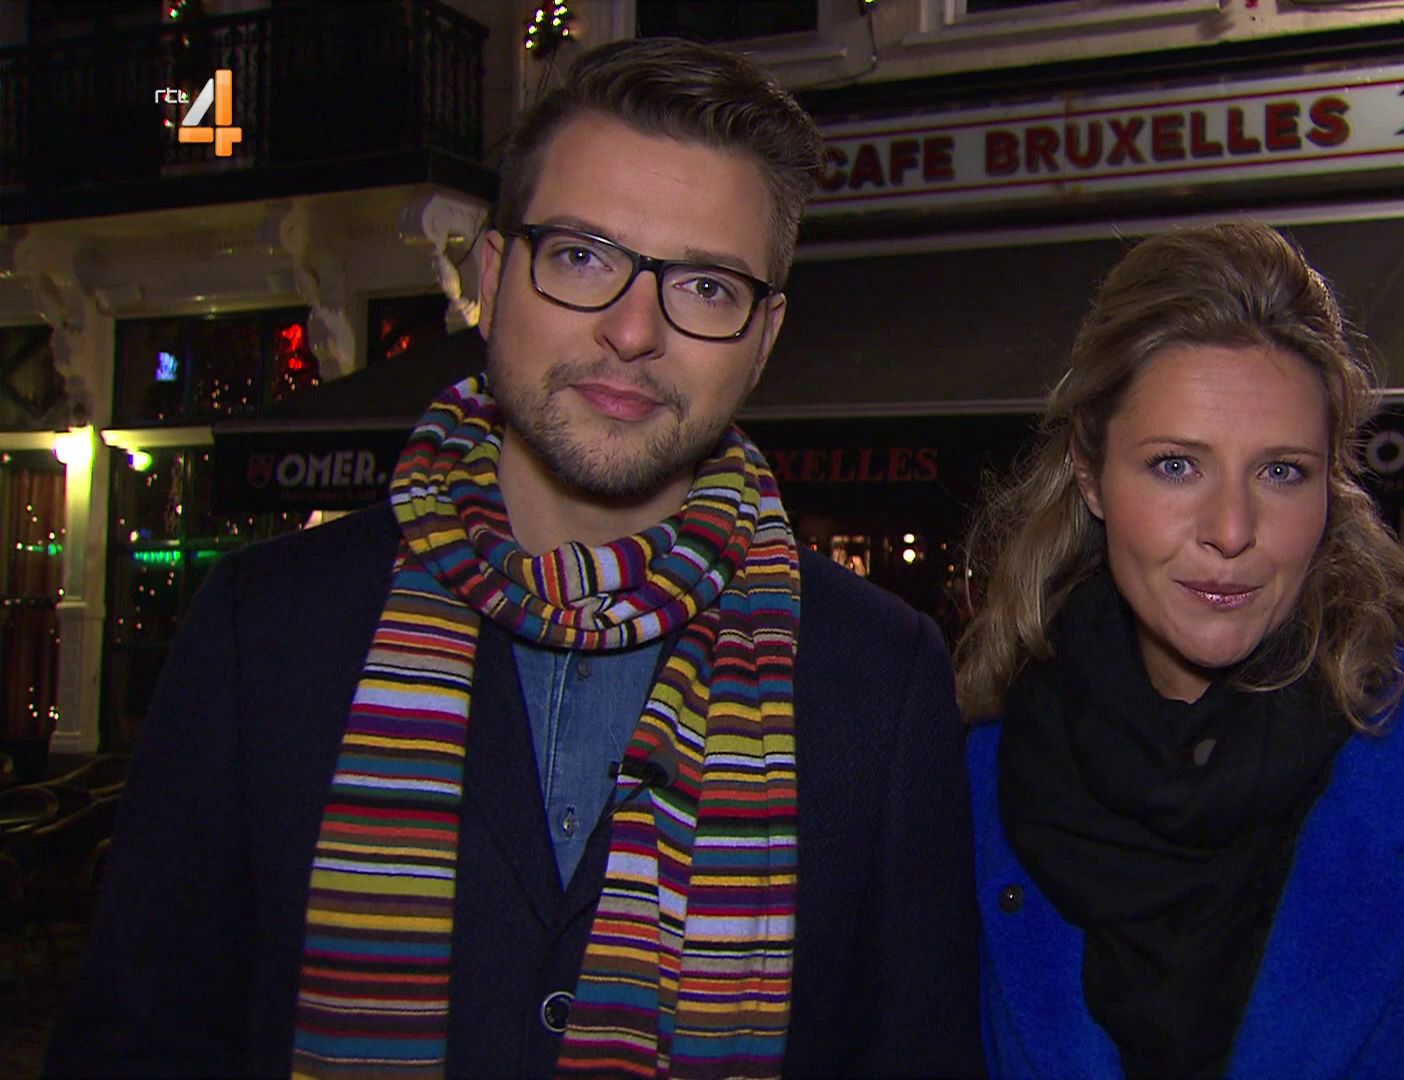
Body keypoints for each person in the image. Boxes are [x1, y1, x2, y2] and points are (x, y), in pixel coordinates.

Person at [47, 39, 982, 1079]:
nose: (633, 330)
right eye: (581, 257)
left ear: (762, 339)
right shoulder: (265, 627)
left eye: (706, 286)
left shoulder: (880, 675)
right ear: (492, 276)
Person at [954, 223, 1404, 1079]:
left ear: (1330, 489)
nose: (1232, 530)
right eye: (1175, 466)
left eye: (1281, 472)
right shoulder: (979, 775)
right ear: (1091, 475)